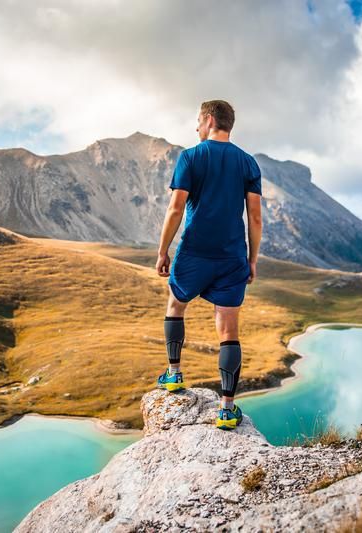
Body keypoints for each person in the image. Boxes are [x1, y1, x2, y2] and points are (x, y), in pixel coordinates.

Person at [154, 99, 263, 430]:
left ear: (210, 120)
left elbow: (175, 209)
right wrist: (252, 259)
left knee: (176, 304)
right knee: (229, 329)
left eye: (198, 121)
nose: (196, 128)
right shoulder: (247, 163)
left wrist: (162, 251)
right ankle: (227, 409)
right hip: (232, 257)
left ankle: (173, 376)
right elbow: (255, 217)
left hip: (195, 251)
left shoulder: (190, 156)